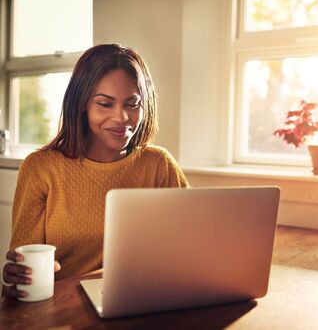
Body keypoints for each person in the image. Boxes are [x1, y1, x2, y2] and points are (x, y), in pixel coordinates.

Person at [1, 44, 189, 298]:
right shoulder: (41, 168)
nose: (121, 117)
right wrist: (18, 277)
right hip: (63, 310)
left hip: (141, 301)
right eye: (105, 104)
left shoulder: (159, 165)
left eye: (132, 104)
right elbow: (21, 273)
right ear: (81, 104)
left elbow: (192, 245)